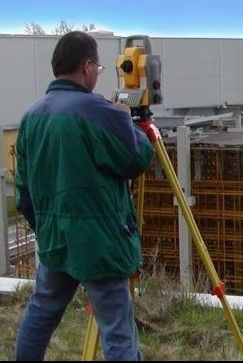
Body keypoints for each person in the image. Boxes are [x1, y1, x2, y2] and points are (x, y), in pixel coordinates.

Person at [14, 31, 155, 361]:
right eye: (99, 67)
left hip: (55, 241)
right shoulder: (100, 111)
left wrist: (46, 227)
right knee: (117, 328)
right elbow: (135, 159)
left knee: (41, 312)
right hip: (98, 243)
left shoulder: (31, 117)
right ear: (88, 66)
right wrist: (126, 120)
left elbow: (23, 190)